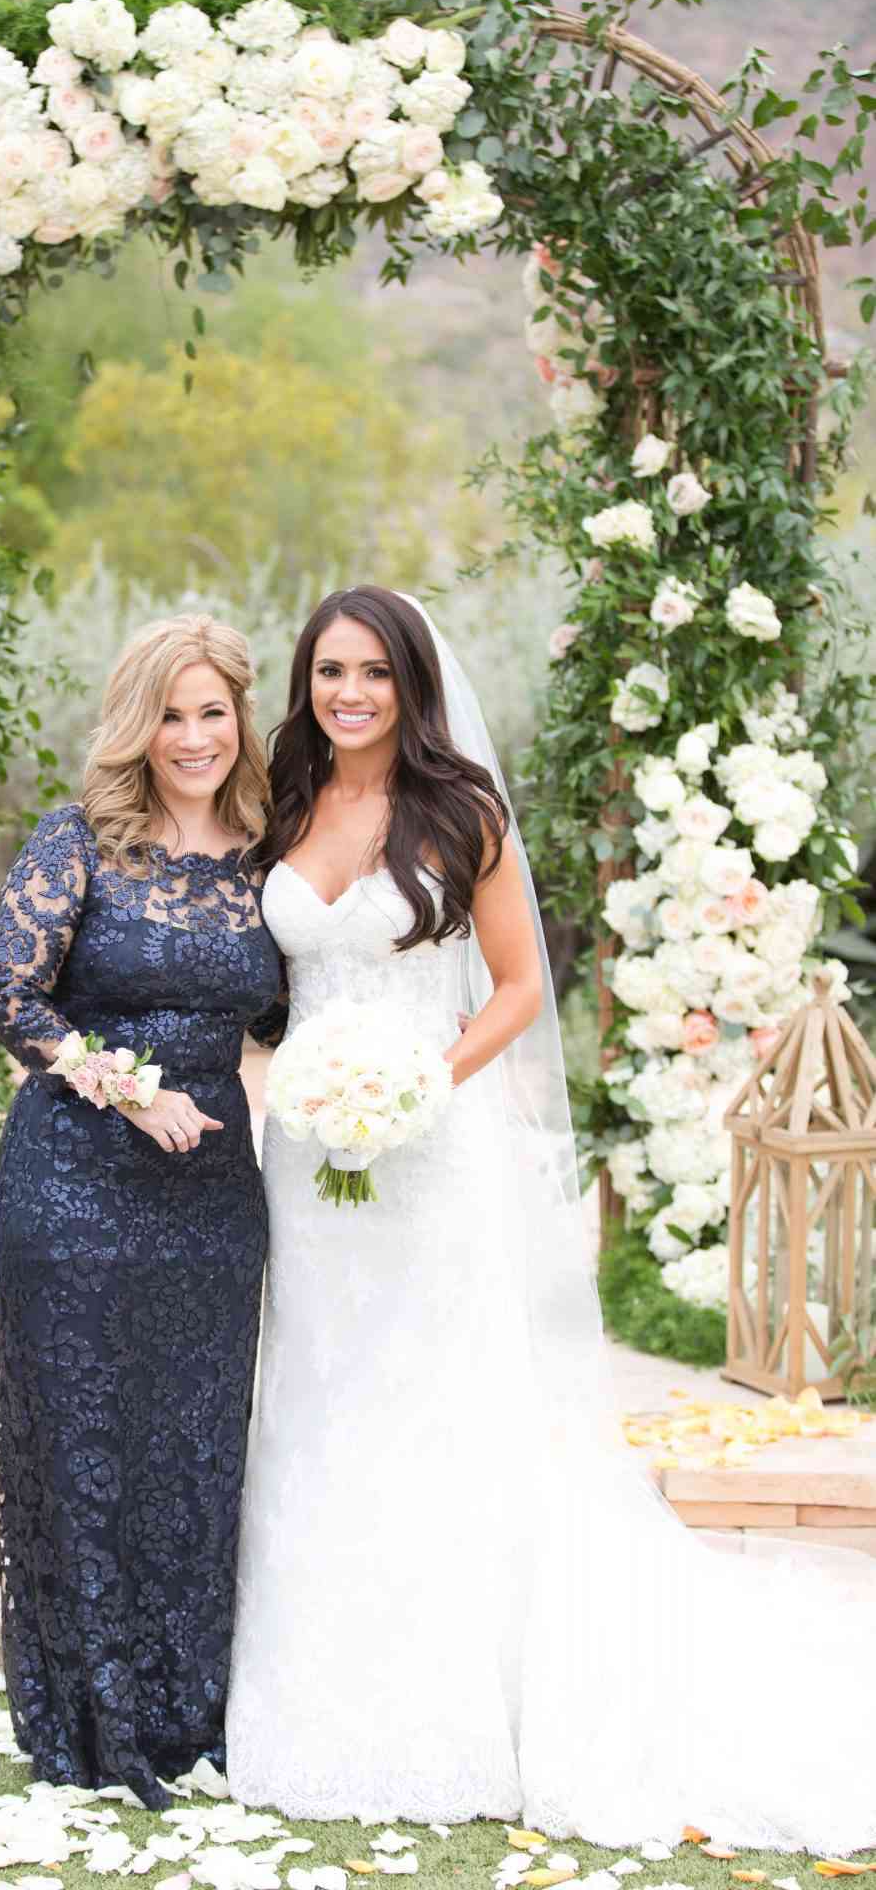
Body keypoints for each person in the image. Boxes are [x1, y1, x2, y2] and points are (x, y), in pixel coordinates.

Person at [226, 584, 876, 1851]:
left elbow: (519, 987)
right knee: (313, 1392)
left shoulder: (458, 812)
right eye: (327, 671)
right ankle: (312, 1694)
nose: (348, 692)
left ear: (411, 683)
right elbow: (271, 989)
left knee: (435, 1398)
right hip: (306, 1162)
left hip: (432, 1149)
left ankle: (462, 1703)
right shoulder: (283, 808)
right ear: (303, 685)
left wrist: (421, 1082)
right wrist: (288, 1088)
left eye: (372, 671)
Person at [0, 613, 282, 1809]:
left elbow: (282, 1020)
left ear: (239, 720)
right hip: (74, 1183)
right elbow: (9, 994)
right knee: (86, 1443)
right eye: (171, 712)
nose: (194, 735)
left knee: (191, 1446)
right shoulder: (81, 843)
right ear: (136, 724)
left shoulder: (268, 859)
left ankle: (180, 1709)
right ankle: (90, 1715)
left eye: (213, 711)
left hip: (213, 1196)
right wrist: (127, 1086)